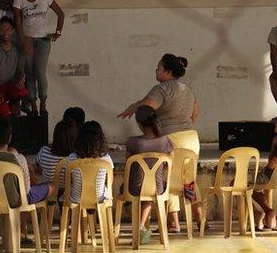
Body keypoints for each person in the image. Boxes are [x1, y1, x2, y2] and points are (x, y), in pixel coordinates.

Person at [118, 53, 201, 232]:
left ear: (168, 72)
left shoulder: (161, 89)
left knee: (167, 178)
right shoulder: (188, 89)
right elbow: (195, 113)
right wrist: (184, 124)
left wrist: (134, 107)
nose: (156, 71)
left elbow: (147, 107)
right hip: (191, 138)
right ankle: (201, 219)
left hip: (172, 138)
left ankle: (173, 222)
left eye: (159, 68)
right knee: (188, 179)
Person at [0, 116, 56, 243]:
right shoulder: (18, 158)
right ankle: (22, 231)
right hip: (15, 201)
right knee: (50, 186)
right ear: (9, 137)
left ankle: (16, 232)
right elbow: (26, 189)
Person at [13, 0, 65, 116]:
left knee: (40, 72)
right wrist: (23, 41)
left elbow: (60, 14)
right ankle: (33, 105)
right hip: (27, 40)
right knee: (29, 73)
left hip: (43, 40)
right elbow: (17, 22)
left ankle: (43, 103)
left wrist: (58, 32)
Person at [124, 106, 173, 244]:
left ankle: (139, 226)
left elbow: (128, 164)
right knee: (150, 191)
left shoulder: (133, 142)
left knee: (127, 189)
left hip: (134, 188)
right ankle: (140, 226)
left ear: (139, 124)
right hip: (157, 188)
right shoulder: (165, 142)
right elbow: (170, 163)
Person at [0, 17, 29, 116]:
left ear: (13, 31)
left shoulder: (17, 49)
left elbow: (20, 70)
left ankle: (14, 105)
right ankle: (6, 108)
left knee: (23, 91)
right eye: (2, 30)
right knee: (4, 112)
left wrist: (21, 80)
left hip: (10, 85)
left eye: (8, 30)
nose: (5, 33)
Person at [65, 121, 113, 204]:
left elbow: (70, 180)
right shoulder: (106, 159)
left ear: (80, 138)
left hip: (76, 198)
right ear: (101, 139)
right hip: (99, 198)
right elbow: (110, 180)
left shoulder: (72, 158)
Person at [35, 119, 77, 188]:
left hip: (49, 193)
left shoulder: (43, 151)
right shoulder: (75, 158)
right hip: (67, 196)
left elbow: (39, 171)